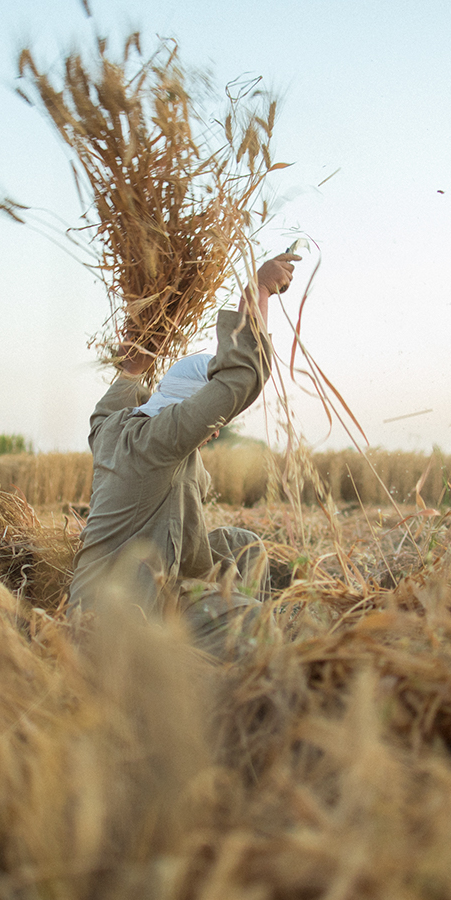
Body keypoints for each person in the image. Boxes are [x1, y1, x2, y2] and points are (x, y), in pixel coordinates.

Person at [67, 253, 300, 651]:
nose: (213, 430)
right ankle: (228, 651)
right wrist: (257, 290)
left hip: (109, 594)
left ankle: (217, 632)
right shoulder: (160, 440)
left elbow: (107, 405)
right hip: (123, 613)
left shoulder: (111, 430)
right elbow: (243, 375)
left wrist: (133, 365)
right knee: (253, 625)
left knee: (243, 546)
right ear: (188, 409)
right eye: (211, 421)